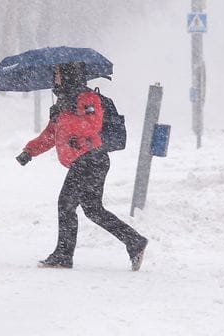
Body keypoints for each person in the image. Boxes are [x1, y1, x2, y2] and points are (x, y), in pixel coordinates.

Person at [15, 62, 148, 270]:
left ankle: (63, 255)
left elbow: (91, 126)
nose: (55, 77)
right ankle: (134, 241)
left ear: (70, 74)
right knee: (93, 210)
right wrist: (29, 151)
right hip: (85, 162)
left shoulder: (87, 98)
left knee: (65, 204)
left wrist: (66, 113)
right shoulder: (62, 103)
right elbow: (50, 136)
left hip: (91, 159)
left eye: (58, 73)